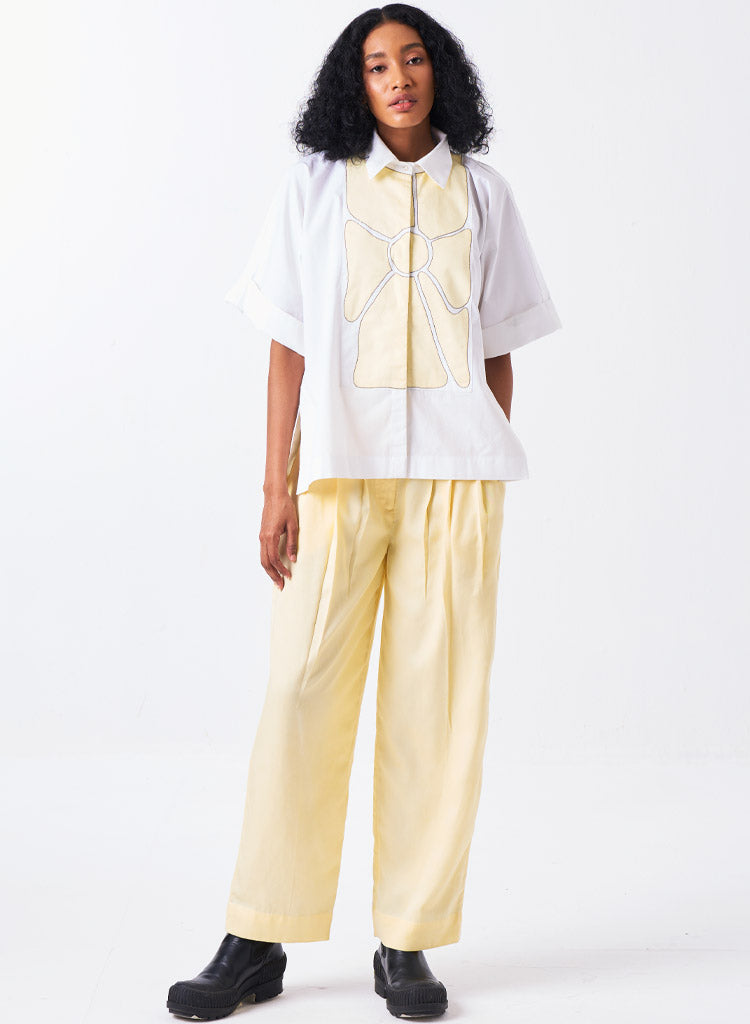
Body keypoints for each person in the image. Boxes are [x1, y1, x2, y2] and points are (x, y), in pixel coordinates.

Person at [166, 4, 562, 1019]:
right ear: (357, 84)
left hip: (453, 486)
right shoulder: (313, 189)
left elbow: (499, 346)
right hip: (337, 479)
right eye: (378, 65)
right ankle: (256, 936)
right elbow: (287, 346)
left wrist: (478, 449)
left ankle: (406, 941)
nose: (398, 78)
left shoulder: (483, 193)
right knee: (299, 689)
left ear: (440, 72)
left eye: (413, 58)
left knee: (438, 707)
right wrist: (276, 487)